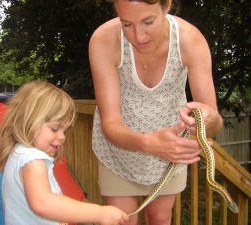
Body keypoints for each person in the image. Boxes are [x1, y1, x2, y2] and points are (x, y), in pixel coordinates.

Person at [88, 0, 223, 225]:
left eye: (148, 22)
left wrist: (208, 121)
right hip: (118, 152)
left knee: (159, 218)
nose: (138, 36)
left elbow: (214, 123)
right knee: (122, 221)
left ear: (166, 5)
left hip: (171, 152)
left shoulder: (190, 40)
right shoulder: (103, 40)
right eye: (126, 24)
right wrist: (147, 143)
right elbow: (110, 123)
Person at [0, 81, 129, 225]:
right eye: (54, 129)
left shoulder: (18, 154)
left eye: (64, 131)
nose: (62, 137)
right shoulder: (32, 160)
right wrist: (99, 213)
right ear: (27, 121)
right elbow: (43, 203)